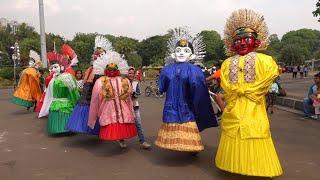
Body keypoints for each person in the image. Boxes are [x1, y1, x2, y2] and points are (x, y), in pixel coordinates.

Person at [215, 9, 283, 177]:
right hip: (235, 106)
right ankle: (236, 165)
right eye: (238, 40)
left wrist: (249, 90)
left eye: (247, 39)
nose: (242, 43)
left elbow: (269, 77)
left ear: (257, 42)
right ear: (232, 45)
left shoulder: (265, 60)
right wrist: (235, 93)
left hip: (254, 106)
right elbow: (225, 83)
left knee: (255, 131)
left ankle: (259, 168)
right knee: (233, 133)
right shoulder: (227, 63)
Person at [155, 27, 218, 153]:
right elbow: (161, 88)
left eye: (186, 50)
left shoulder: (194, 70)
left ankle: (191, 148)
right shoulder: (167, 70)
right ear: (173, 54)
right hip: (173, 105)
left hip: (186, 106)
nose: (181, 53)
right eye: (178, 50)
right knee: (182, 123)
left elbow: (198, 90)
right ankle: (182, 145)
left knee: (188, 124)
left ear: (192, 55)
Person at [66, 35, 113, 135]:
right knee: (85, 111)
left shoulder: (102, 71)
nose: (95, 56)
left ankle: (99, 130)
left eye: (98, 55)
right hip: (86, 96)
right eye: (94, 54)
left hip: (95, 98)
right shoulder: (90, 69)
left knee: (95, 113)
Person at [88, 52, 137, 144]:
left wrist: (131, 111)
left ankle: (121, 140)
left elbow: (129, 98)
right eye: (109, 69)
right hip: (108, 111)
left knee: (122, 126)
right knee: (112, 124)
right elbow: (95, 100)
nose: (111, 71)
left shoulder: (124, 80)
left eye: (113, 69)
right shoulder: (100, 81)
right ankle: (120, 140)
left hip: (123, 111)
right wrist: (93, 117)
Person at [42, 52, 80, 135]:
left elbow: (73, 91)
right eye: (53, 67)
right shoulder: (53, 79)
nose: (54, 69)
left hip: (66, 102)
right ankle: (60, 129)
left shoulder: (67, 77)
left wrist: (75, 101)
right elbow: (49, 94)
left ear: (61, 67)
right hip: (56, 102)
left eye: (56, 67)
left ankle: (67, 129)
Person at [118, 67, 152, 149]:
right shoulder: (122, 82)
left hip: (134, 106)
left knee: (138, 124)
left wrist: (132, 93)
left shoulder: (136, 82)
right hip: (124, 107)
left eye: (132, 73)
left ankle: (142, 141)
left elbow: (138, 93)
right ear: (127, 73)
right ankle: (121, 140)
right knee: (123, 124)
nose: (131, 75)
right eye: (130, 73)